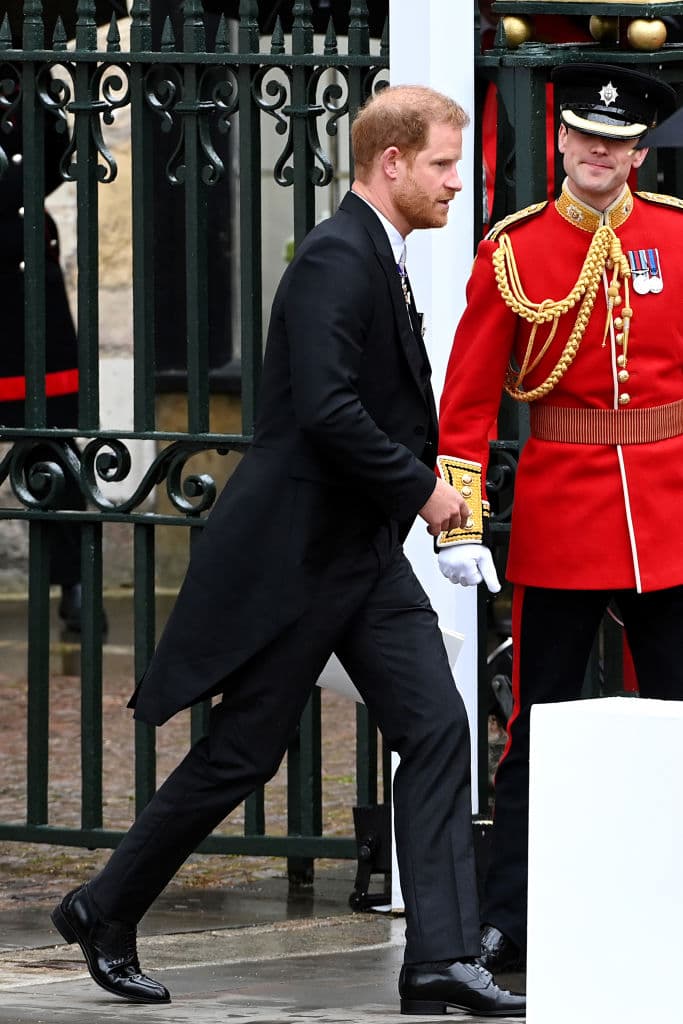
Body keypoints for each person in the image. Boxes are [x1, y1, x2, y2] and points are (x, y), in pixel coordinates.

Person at [50, 85, 525, 1017]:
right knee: (239, 756)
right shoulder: (333, 257)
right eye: (439, 164)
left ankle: (437, 957)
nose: (452, 184)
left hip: (360, 557)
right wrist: (428, 492)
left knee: (435, 729)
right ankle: (104, 908)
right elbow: (326, 410)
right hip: (301, 559)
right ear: (390, 162)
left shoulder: (375, 254)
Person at [436, 62, 683, 973]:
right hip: (563, 512)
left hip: (671, 514)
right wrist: (461, 521)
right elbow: (463, 408)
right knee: (536, 726)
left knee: (677, 717)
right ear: (562, 141)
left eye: (618, 142)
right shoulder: (515, 250)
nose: (602, 153)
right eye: (587, 136)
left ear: (636, 152)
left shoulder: (675, 237)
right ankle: (511, 916)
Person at [0, 94, 88, 633]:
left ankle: (73, 583)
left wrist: (37, 90)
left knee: (53, 449)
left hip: (35, 312)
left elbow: (55, 156)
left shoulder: (17, 101)